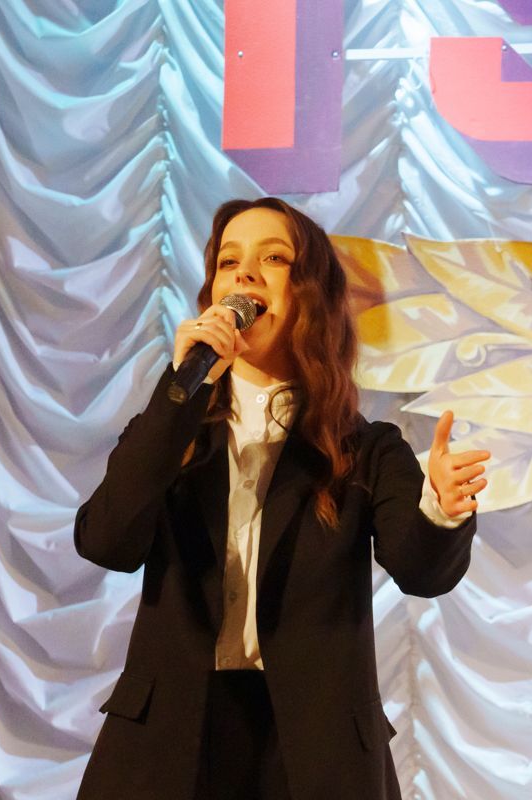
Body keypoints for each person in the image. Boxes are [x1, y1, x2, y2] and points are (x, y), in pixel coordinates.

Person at [74, 197, 490, 799]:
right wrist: (179, 393)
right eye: (228, 262)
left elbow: (421, 572)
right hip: (169, 742)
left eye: (273, 259)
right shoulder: (173, 433)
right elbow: (106, 541)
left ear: (312, 295)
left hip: (314, 749)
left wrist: (442, 510)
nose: (244, 274)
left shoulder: (366, 449)